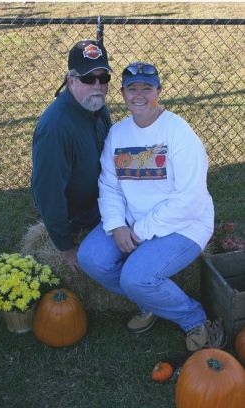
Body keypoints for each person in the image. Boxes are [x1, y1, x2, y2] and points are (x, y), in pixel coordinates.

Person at [77, 61, 226, 351]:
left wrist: (139, 231)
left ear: (159, 90)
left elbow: (189, 198)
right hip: (133, 220)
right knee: (91, 258)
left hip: (184, 224)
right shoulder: (118, 134)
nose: (140, 95)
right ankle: (151, 300)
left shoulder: (178, 133)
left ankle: (195, 319)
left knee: (136, 276)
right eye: (132, 89)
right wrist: (117, 225)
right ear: (122, 93)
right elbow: (109, 185)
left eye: (147, 88)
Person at [32, 40, 112, 271]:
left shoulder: (97, 107)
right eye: (88, 79)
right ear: (71, 81)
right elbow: (48, 192)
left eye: (103, 78)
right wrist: (66, 247)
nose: (97, 85)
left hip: (103, 199)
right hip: (79, 216)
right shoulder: (55, 127)